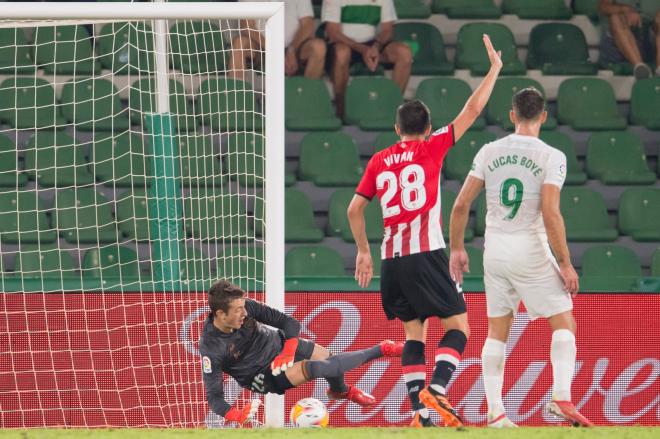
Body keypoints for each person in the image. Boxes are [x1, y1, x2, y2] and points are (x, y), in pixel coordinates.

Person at [346, 35, 502, 428]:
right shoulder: (431, 148)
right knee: (459, 326)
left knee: (414, 333)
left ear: (396, 128)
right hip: (426, 254)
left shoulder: (380, 160)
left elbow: (354, 208)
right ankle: (438, 390)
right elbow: (472, 108)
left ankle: (420, 414)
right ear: (428, 128)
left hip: (390, 261)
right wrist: (495, 69)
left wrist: (363, 251)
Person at [448, 87, 593, 428]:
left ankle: (496, 413)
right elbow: (550, 211)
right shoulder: (552, 156)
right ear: (543, 116)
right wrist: (566, 262)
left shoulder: (488, 151)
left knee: (497, 330)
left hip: (494, 248)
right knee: (563, 322)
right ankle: (560, 398)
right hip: (530, 246)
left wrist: (456, 247)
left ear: (512, 115)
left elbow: (460, 204)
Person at [199, 279, 403, 426]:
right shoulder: (211, 348)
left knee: (329, 359)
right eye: (237, 310)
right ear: (219, 314)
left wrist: (288, 350)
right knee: (318, 367)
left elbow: (288, 322)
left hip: (280, 346)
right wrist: (236, 414)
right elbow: (214, 398)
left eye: (243, 306)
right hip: (263, 374)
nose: (244, 312)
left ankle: (340, 391)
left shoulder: (246, 308)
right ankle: (382, 349)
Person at [322, 0, 412, 117]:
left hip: (372, 43)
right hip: (344, 43)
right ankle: (342, 111)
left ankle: (391, 110)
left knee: (404, 52)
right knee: (342, 52)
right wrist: (363, 49)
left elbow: (388, 31)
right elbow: (333, 32)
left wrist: (376, 47)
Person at [231, 0, 327, 80]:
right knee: (239, 43)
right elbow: (247, 26)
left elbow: (308, 25)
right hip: (261, 47)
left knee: (318, 47)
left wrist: (292, 50)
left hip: (294, 49)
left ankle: (306, 99)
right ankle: (235, 99)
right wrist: (274, 51)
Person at [598, 0, 660, 78]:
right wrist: (624, 9)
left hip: (648, 40)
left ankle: (659, 68)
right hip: (617, 45)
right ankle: (640, 67)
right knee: (615, 16)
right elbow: (602, 7)